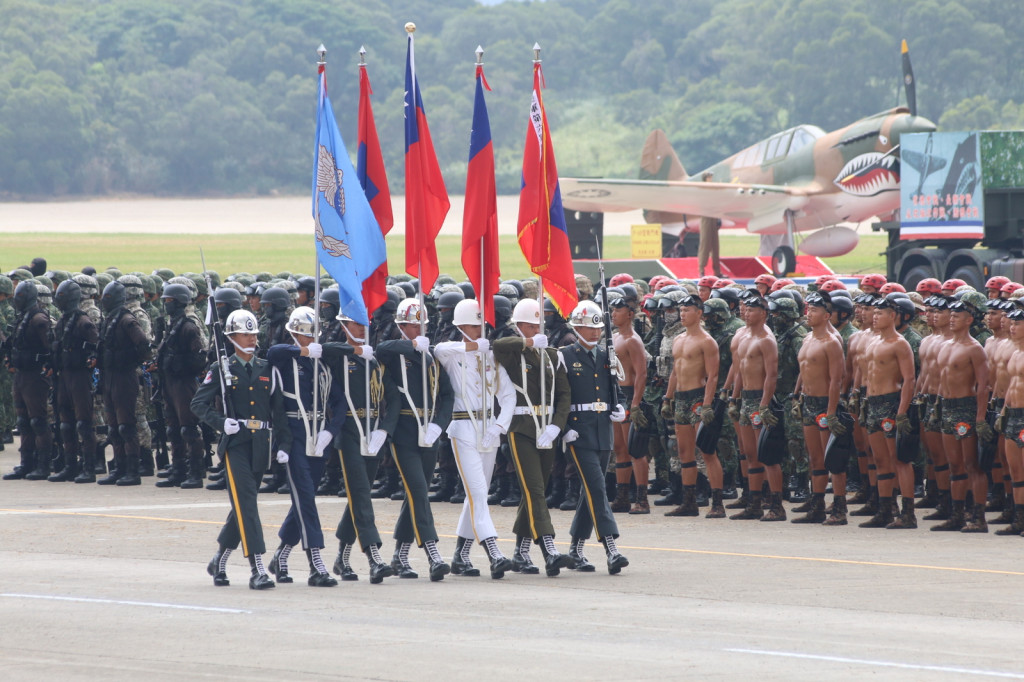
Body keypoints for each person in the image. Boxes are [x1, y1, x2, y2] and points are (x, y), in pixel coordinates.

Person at [192, 309, 286, 589]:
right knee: (247, 504)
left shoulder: (267, 368)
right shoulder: (222, 369)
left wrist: (284, 444)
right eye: (245, 333)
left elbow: (277, 411)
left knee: (243, 507)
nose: (251, 338)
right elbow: (198, 404)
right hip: (236, 445)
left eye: (254, 333)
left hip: (261, 445)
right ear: (231, 338)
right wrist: (222, 423)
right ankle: (257, 567)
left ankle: (219, 559)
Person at [434, 299, 517, 579]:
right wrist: (473, 347)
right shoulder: (451, 352)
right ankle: (494, 552)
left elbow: (508, 395)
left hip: (488, 429)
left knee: (475, 494)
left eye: (482, 324)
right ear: (460, 326)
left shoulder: (490, 356)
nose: (480, 329)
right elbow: (440, 349)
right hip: (463, 428)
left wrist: (501, 425)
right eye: (473, 324)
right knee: (479, 493)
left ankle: (460, 555)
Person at [492, 299, 574, 576]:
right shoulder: (515, 353)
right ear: (518, 326)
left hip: (547, 428)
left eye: (538, 324)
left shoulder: (553, 355)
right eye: (529, 325)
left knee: (532, 493)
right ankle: (549, 549)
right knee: (536, 490)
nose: (536, 328)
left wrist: (556, 426)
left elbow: (564, 395)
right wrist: (526, 343)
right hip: (522, 427)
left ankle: (521, 552)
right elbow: (498, 346)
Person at [264, 307, 345, 587]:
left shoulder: (321, 363)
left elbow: (339, 402)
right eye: (302, 335)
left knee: (302, 498)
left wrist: (331, 432)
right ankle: (316, 563)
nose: (308, 341)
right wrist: (302, 351)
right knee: (307, 498)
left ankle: (281, 555)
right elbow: (273, 352)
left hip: (318, 436)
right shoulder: (287, 359)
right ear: (293, 333)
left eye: (311, 337)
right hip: (294, 435)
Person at [376, 299, 455, 581]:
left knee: (415, 494)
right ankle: (433, 554)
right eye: (413, 324)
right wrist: (411, 346)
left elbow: (447, 395)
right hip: (405, 431)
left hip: (429, 432)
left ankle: (400, 554)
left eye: (422, 324)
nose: (419, 329)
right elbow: (379, 349)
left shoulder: (430, 357)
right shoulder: (396, 352)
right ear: (401, 326)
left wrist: (439, 425)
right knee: (419, 492)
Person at [321, 312, 399, 584]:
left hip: (372, 432)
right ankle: (374, 557)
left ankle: (342, 558)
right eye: (356, 323)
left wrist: (385, 428)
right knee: (362, 496)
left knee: (359, 494)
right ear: (344, 326)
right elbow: (322, 348)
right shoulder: (340, 356)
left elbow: (393, 398)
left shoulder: (374, 359)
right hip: (349, 432)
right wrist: (355, 349)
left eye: (365, 324)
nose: (363, 328)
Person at [560, 300, 630, 574]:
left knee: (589, 492)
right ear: (576, 327)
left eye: (598, 328)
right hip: (579, 431)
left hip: (603, 431)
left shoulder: (605, 356)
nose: (594, 332)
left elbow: (616, 390)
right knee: (598, 489)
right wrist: (564, 428)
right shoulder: (564, 355)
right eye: (589, 328)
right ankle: (611, 549)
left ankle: (576, 550)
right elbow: (558, 397)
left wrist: (620, 407)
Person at [933, 293, 992, 532]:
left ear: (969, 320)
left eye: (957, 316)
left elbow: (983, 386)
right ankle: (957, 514)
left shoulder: (974, 348)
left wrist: (979, 418)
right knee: (954, 464)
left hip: (965, 407)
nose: (952, 319)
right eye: (952, 315)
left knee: (972, 465)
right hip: (947, 407)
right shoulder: (945, 345)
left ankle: (978, 516)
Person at [662, 295, 721, 517]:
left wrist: (707, 405)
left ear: (699, 313)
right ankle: (689, 502)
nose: (682, 314)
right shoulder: (678, 340)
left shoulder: (707, 341)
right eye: (681, 310)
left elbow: (713, 376)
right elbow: (675, 372)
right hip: (681, 398)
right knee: (684, 451)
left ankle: (717, 502)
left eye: (687, 310)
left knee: (707, 451)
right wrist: (668, 398)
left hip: (698, 398)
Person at [791, 292, 847, 524]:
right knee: (814, 458)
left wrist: (832, 411)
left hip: (825, 403)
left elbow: (837, 380)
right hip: (809, 402)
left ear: (826, 316)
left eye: (814, 311)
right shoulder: (807, 339)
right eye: (808, 310)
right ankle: (817, 505)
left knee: (832, 459)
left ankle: (840, 508)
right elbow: (803, 371)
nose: (808, 314)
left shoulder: (831, 343)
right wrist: (797, 395)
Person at [727, 293, 781, 520]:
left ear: (764, 313)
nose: (747, 313)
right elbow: (739, 371)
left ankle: (777, 505)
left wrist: (765, 404)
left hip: (760, 398)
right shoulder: (744, 338)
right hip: (746, 399)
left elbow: (771, 376)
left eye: (752, 310)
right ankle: (754, 502)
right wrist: (734, 397)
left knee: (766, 455)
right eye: (746, 310)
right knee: (750, 454)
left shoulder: (766, 340)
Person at [154, 283, 207, 488]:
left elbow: (198, 358)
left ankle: (195, 471)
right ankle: (178, 469)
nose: (166, 304)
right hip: (170, 383)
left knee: (188, 428)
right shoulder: (172, 325)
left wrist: (178, 365)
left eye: (169, 301)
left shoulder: (188, 327)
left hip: (184, 384)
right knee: (173, 429)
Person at [49, 280, 99, 483]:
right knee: (66, 424)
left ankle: (89, 467)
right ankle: (71, 465)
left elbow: (97, 346)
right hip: (64, 377)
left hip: (80, 378)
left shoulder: (83, 322)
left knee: (84, 424)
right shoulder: (63, 321)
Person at [2, 281, 53, 480]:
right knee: (23, 422)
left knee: (38, 421)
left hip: (35, 376)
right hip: (21, 375)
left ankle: (43, 464)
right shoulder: (22, 318)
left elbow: (50, 346)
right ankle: (27, 463)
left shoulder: (39, 319)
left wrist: (47, 367)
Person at [608, 294, 650, 514]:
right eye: (613, 310)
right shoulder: (615, 337)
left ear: (630, 314)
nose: (614, 314)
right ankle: (622, 496)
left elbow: (641, 373)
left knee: (635, 450)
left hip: (628, 394)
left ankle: (642, 499)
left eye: (619, 310)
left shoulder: (632, 340)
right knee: (619, 449)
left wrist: (635, 404)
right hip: (617, 395)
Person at [697, 171, 722, 277]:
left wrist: (718, 217)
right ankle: (701, 270)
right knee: (705, 244)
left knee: (715, 246)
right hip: (706, 216)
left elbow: (716, 203)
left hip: (713, 216)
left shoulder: (713, 189)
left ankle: (717, 271)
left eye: (711, 177)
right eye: (709, 177)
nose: (710, 178)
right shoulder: (703, 190)